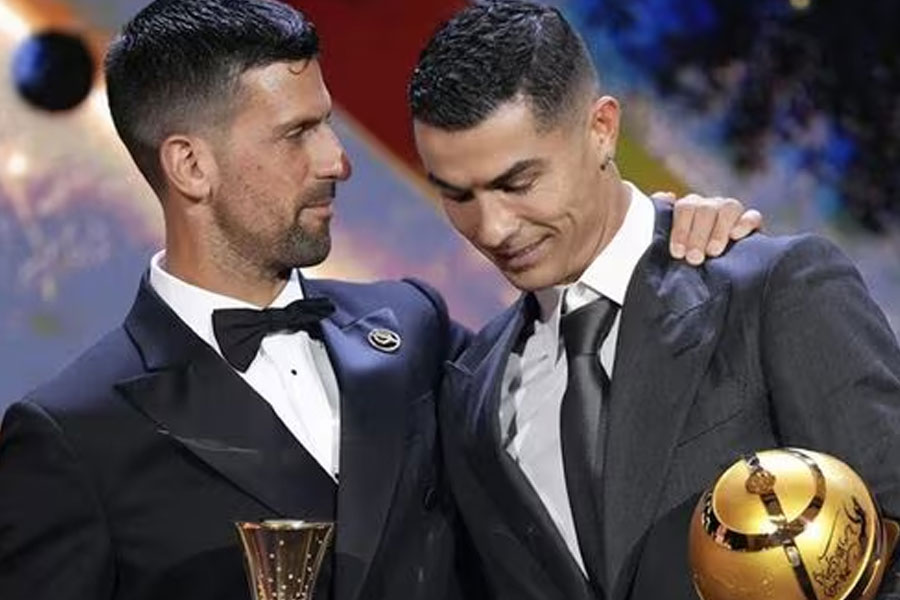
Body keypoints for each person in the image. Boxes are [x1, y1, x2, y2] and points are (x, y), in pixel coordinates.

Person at [0, 1, 759, 599]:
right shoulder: (72, 438)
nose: (337, 160)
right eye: (297, 133)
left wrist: (657, 236)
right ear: (191, 166)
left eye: (328, 124)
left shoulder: (412, 325)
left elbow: (583, 397)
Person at [409, 2, 900, 600]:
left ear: (601, 129)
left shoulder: (774, 288)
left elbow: (890, 531)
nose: (492, 228)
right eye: (458, 196)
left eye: (518, 183)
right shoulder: (472, 395)